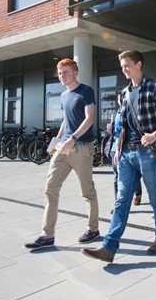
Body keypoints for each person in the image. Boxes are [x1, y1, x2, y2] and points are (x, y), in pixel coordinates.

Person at [82, 50, 156, 263]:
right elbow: (123, 124)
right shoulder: (124, 92)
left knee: (155, 199)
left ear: (139, 64)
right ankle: (109, 247)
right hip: (126, 154)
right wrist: (118, 148)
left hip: (148, 153)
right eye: (122, 65)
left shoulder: (154, 87)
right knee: (122, 199)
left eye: (127, 65)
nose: (124, 69)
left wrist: (155, 134)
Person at [24, 58, 100, 249]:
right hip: (63, 148)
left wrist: (72, 138)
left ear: (75, 73)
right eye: (59, 73)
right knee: (50, 187)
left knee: (87, 190)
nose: (62, 76)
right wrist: (55, 142)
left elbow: (90, 118)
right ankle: (47, 234)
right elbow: (66, 121)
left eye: (65, 72)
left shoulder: (86, 91)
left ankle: (93, 229)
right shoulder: (64, 96)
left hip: (80, 147)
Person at [108, 93, 143, 212]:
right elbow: (116, 131)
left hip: (127, 147)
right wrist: (111, 129)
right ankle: (118, 203)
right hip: (115, 147)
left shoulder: (131, 112)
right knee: (116, 177)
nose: (121, 100)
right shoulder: (116, 113)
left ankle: (137, 193)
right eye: (120, 98)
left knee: (134, 174)